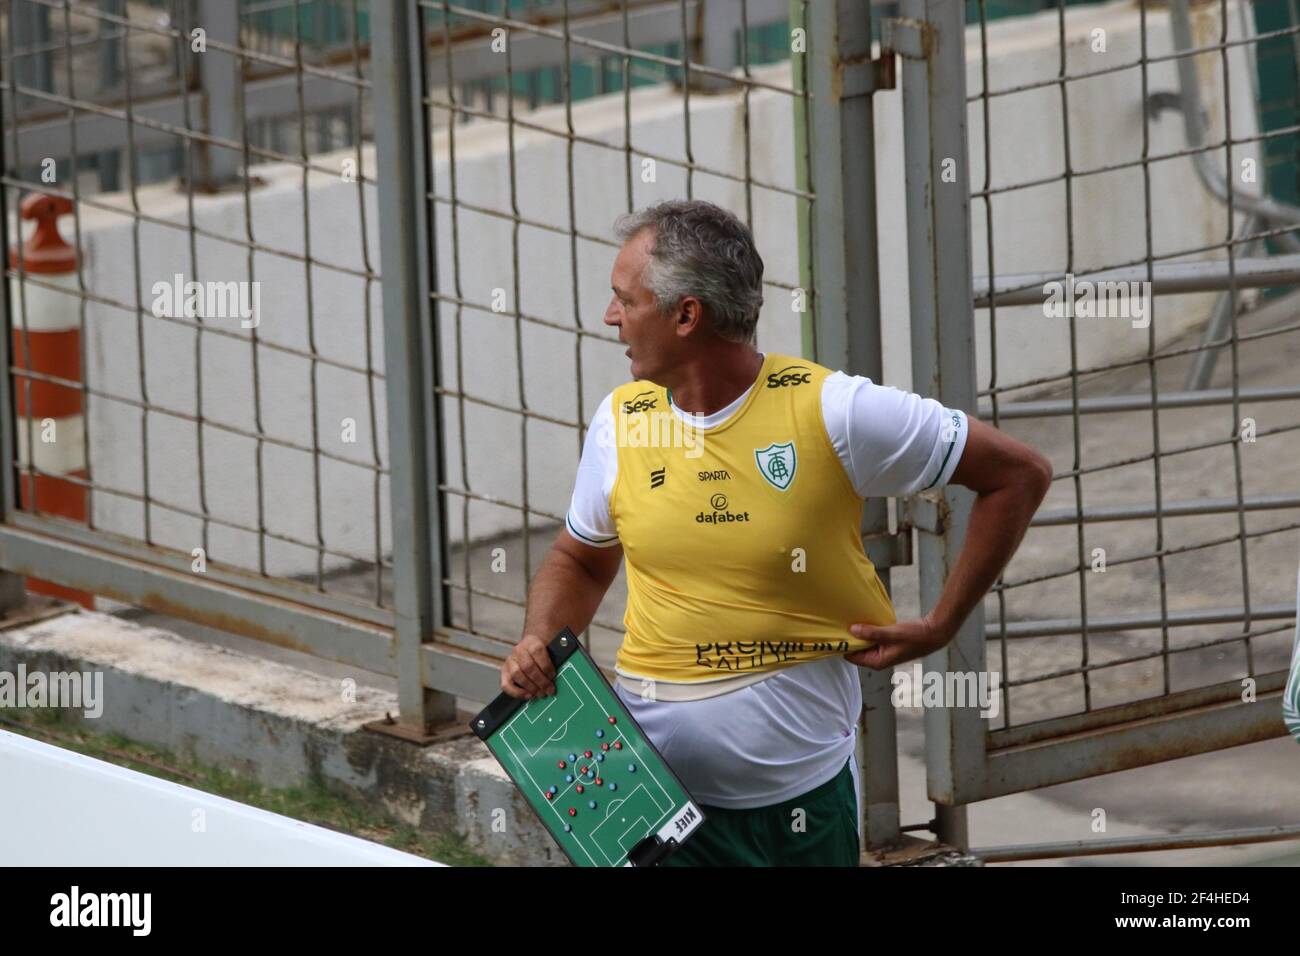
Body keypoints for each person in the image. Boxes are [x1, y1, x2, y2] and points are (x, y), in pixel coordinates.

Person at [499, 198, 1052, 866]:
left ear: (686, 315)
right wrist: (538, 640)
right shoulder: (622, 420)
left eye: (625, 300)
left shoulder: (834, 411)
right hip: (653, 812)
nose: (610, 316)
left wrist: (944, 621)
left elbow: (1018, 475)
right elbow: (580, 561)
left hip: (802, 811)